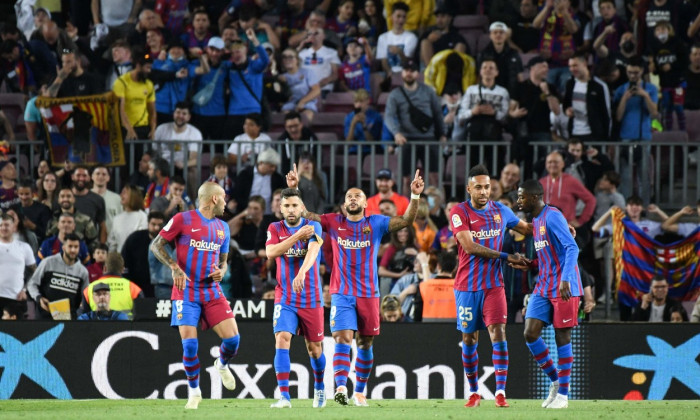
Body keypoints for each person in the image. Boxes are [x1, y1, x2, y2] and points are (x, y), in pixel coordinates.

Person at [285, 165, 425, 406]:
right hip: (341, 294)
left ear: (365, 203)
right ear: (344, 205)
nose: (352, 198)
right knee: (342, 338)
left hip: (369, 295)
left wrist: (414, 196)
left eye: (357, 195)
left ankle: (359, 391)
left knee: (365, 343)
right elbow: (306, 215)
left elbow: (406, 220)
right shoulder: (333, 221)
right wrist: (294, 190)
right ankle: (340, 386)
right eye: (349, 196)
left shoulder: (377, 223)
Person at [150, 182, 241, 410]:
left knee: (233, 340)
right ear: (213, 199)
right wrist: (174, 265)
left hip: (211, 291)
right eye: (223, 197)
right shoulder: (183, 219)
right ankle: (194, 392)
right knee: (190, 346)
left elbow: (223, 262)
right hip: (186, 292)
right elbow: (156, 245)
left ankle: (221, 364)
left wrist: (222, 271)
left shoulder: (223, 227)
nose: (225, 202)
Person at [449, 165, 532, 408]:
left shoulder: (501, 210)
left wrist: (557, 228)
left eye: (487, 187)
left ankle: (500, 393)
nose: (484, 192)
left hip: (494, 285)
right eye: (478, 187)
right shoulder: (459, 212)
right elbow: (470, 246)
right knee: (470, 339)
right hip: (466, 287)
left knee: (499, 334)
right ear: (469, 189)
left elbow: (527, 229)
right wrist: (508, 257)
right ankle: (474, 392)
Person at [517, 179, 584, 409]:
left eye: (521, 197)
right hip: (544, 285)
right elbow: (549, 254)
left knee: (562, 337)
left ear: (534, 197)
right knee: (530, 333)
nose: (519, 201)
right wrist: (532, 263)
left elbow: (572, 247)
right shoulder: (535, 221)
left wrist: (566, 278)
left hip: (564, 285)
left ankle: (563, 397)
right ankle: (556, 381)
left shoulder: (552, 215)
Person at [264, 188, 326, 408]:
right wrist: (297, 236)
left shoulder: (314, 226)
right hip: (285, 297)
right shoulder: (274, 228)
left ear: (302, 208)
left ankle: (319, 387)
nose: (291, 210)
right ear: (280, 209)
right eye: (286, 206)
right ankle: (284, 397)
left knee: (315, 349)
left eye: (294, 205)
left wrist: (301, 272)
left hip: (311, 297)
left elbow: (313, 252)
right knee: (282, 338)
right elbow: (271, 253)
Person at [385, 59, 445, 191]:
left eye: (412, 71)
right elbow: (388, 116)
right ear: (402, 73)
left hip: (429, 139)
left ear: (418, 74)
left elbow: (437, 113)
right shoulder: (395, 94)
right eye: (406, 70)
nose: (409, 73)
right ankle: (406, 210)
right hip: (406, 139)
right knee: (406, 179)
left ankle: (441, 209)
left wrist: (442, 134)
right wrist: (396, 133)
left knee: (434, 176)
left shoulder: (429, 91)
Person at [613, 56, 658, 204]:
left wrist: (645, 96)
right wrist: (625, 98)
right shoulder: (621, 90)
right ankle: (625, 206)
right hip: (625, 138)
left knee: (644, 176)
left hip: (643, 137)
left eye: (636, 73)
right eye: (630, 72)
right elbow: (618, 117)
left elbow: (654, 113)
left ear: (642, 72)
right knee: (625, 176)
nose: (633, 76)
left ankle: (644, 207)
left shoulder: (650, 89)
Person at [27, 233, 89, 320]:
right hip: (44, 316)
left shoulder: (83, 272)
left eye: (76, 247)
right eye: (70, 246)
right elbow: (32, 284)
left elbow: (85, 296)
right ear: (63, 247)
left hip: (69, 319)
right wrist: (39, 298)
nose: (73, 250)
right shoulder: (48, 262)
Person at [562, 54, 611, 142]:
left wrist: (606, 138)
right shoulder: (569, 84)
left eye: (575, 65)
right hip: (574, 132)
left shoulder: (598, 86)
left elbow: (605, 112)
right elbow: (565, 104)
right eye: (570, 66)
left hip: (593, 134)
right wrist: (567, 111)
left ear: (584, 64)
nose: (572, 69)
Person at [80, 252, 144, 318]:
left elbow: (84, 320)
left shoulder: (88, 289)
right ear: (122, 269)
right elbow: (142, 318)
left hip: (99, 327)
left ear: (104, 269)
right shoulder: (134, 289)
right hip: (125, 327)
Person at [113, 48, 156, 141]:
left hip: (144, 128)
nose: (149, 71)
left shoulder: (148, 84)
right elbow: (121, 109)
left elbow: (152, 109)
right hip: (125, 128)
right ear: (138, 66)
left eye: (150, 68)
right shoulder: (122, 82)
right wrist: (129, 129)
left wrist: (153, 129)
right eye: (147, 67)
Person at [123, 211, 165, 298]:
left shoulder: (170, 242)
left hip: (162, 288)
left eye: (160, 225)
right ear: (148, 223)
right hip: (137, 286)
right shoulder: (135, 239)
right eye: (153, 224)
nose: (157, 228)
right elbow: (125, 261)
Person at [0, 213, 35, 317]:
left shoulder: (24, 247)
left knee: (16, 332)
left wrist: (25, 289)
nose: (3, 228)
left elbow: (35, 271)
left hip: (16, 299)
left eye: (6, 225)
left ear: (13, 226)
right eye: (1, 225)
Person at [153, 102, 203, 173]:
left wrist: (183, 164)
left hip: (182, 166)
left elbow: (194, 158)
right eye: (178, 112)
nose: (180, 116)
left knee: (193, 171)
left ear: (189, 117)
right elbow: (154, 151)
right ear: (173, 114)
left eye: (184, 114)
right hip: (162, 165)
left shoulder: (195, 133)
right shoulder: (161, 129)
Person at [478, 22, 524, 95]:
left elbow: (520, 77)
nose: (498, 35)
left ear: (506, 35)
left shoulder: (514, 54)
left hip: (511, 93)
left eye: (501, 32)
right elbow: (479, 77)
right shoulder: (482, 54)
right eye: (495, 32)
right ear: (490, 35)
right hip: (490, 94)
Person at [279, 49, 321, 122]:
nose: (287, 60)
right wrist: (282, 85)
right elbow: (280, 100)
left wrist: (302, 102)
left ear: (297, 60)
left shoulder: (308, 72)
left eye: (290, 57)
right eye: (284, 57)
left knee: (306, 117)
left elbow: (316, 90)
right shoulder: (281, 77)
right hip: (289, 105)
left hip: (307, 103)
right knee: (287, 118)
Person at [376, 2, 418, 75]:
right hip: (388, 74)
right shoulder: (382, 38)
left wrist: (400, 52)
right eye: (398, 16)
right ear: (392, 17)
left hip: (405, 73)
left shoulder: (411, 37)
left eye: (404, 17)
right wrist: (389, 73)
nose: (401, 20)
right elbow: (384, 61)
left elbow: (408, 63)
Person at [107, 184, 148, 252]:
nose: (121, 195)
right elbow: (112, 243)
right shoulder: (117, 218)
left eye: (124, 193)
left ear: (133, 196)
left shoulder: (143, 217)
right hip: (120, 259)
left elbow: (141, 240)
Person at [91, 166, 122, 236]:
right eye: (97, 174)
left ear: (108, 178)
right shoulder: (86, 197)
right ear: (92, 176)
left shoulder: (117, 198)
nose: (100, 177)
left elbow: (122, 221)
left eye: (104, 174)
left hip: (111, 242)